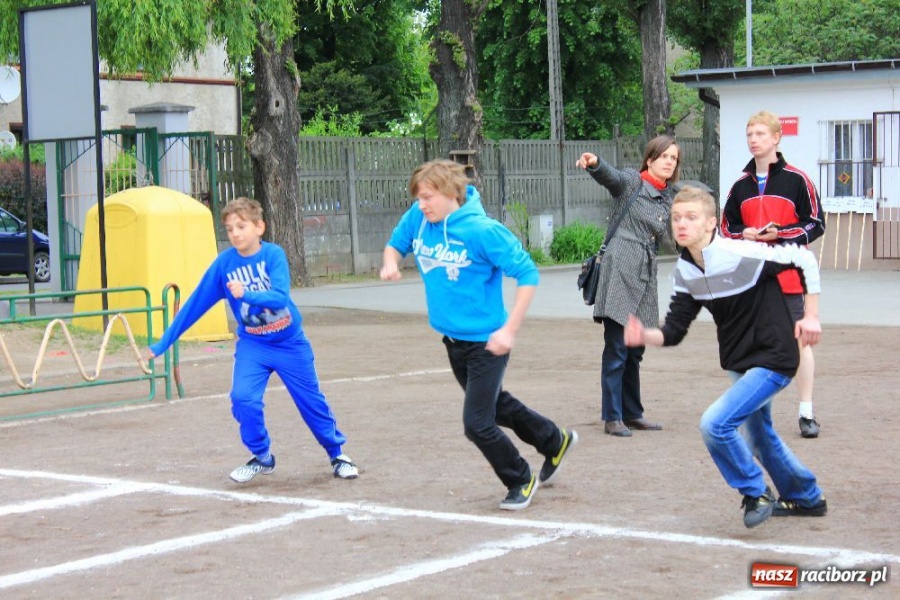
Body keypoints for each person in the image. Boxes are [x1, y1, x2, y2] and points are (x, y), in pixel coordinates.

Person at [379, 159, 577, 511]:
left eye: (428, 197)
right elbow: (395, 244)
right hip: (452, 340)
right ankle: (554, 440)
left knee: (477, 423)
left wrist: (509, 330)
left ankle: (519, 478)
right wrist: (391, 262)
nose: (422, 204)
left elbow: (528, 275)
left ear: (451, 193)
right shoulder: (419, 218)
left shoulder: (484, 231)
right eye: (419, 198)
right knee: (496, 407)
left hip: (487, 342)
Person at [624, 186, 827, 528]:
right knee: (759, 436)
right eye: (676, 218)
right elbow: (674, 329)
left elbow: (803, 258)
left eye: (691, 217)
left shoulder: (742, 252)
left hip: (775, 355)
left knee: (715, 424)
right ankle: (807, 498)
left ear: (710, 223)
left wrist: (811, 315)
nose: (682, 224)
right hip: (739, 361)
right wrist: (645, 335)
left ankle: (755, 491)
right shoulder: (686, 270)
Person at [148, 197, 358, 483]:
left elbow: (280, 296)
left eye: (242, 226)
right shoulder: (224, 265)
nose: (235, 233)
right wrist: (162, 343)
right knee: (242, 398)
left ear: (260, 227)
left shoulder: (273, 255)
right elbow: (194, 305)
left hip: (289, 344)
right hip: (253, 345)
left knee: (310, 402)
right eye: (230, 228)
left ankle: (337, 454)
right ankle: (262, 457)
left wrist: (246, 293)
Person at [721, 110, 826, 439]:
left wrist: (781, 234)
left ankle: (806, 412)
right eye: (749, 134)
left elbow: (816, 223)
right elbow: (727, 228)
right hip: (750, 278)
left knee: (799, 342)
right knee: (751, 345)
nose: (754, 140)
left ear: (776, 138)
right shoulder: (739, 185)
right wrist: (746, 235)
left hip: (791, 277)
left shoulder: (797, 179)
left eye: (760, 134)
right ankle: (753, 413)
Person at [575, 135, 680, 437]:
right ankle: (612, 417)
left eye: (673, 158)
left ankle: (633, 413)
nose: (669, 162)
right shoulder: (633, 183)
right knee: (617, 347)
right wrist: (595, 163)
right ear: (650, 159)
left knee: (635, 348)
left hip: (645, 272)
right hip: (620, 266)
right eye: (664, 157)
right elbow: (612, 177)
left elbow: (673, 241)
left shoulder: (667, 198)